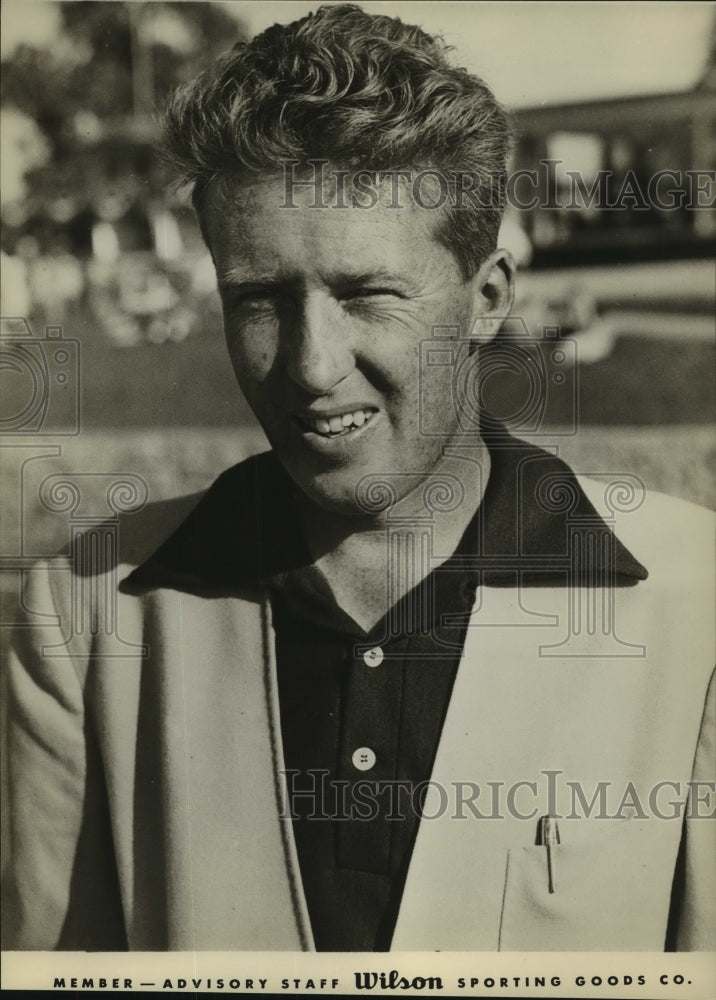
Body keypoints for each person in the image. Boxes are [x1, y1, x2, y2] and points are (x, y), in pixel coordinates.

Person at [3, 4, 714, 953]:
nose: (309, 364)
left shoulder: (696, 608)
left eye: (366, 295)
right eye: (259, 300)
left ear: (488, 298)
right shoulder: (85, 619)